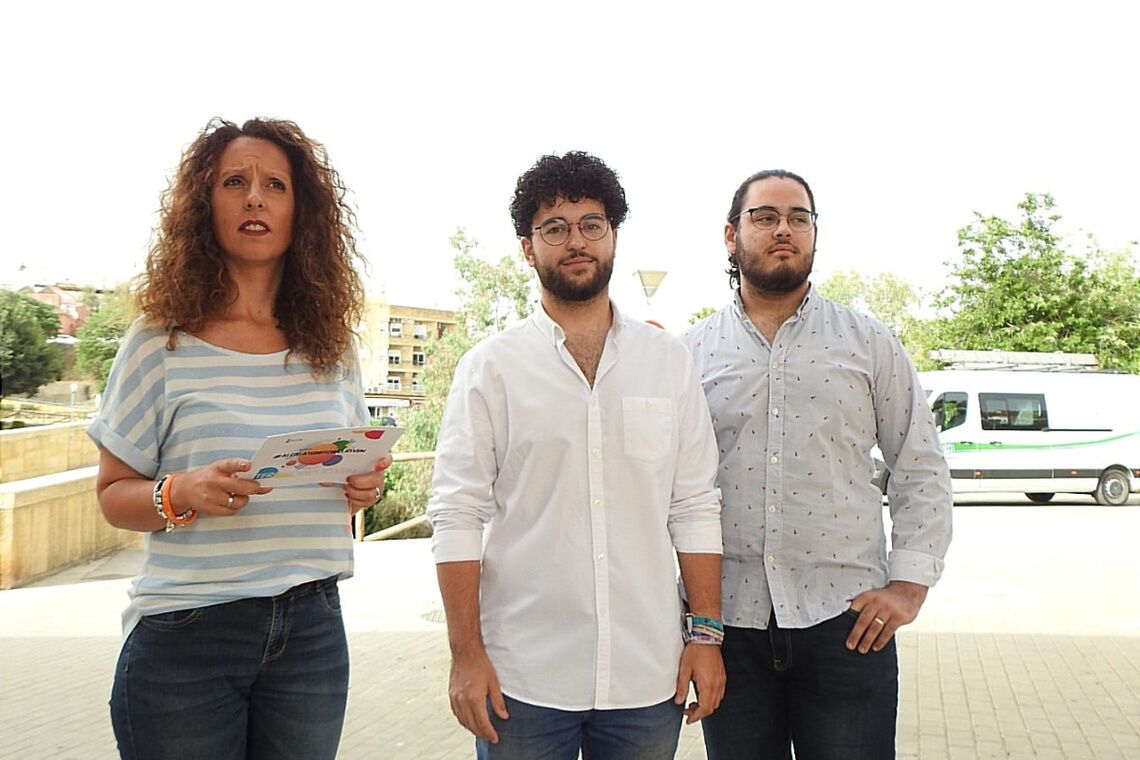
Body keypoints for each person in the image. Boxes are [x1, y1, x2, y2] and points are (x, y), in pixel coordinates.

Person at [88, 117, 389, 760]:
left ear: (299, 211)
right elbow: (113, 494)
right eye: (235, 181)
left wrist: (361, 486)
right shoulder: (158, 340)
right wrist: (181, 491)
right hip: (188, 641)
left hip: (312, 632)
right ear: (207, 205)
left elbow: (344, 473)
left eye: (275, 184)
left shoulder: (330, 347)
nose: (255, 197)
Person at [427, 151, 725, 759]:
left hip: (647, 673)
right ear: (527, 248)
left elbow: (694, 505)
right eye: (554, 228)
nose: (576, 241)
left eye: (592, 224)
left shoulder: (668, 363)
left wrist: (707, 635)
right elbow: (457, 514)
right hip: (522, 678)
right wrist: (465, 656)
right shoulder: (491, 369)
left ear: (614, 235)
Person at [681, 169, 953, 759]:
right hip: (732, 627)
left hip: (847, 625)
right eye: (765, 216)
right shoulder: (688, 354)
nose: (784, 229)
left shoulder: (868, 342)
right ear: (731, 235)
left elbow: (920, 463)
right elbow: (670, 489)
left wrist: (909, 584)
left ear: (813, 235)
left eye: (799, 218)